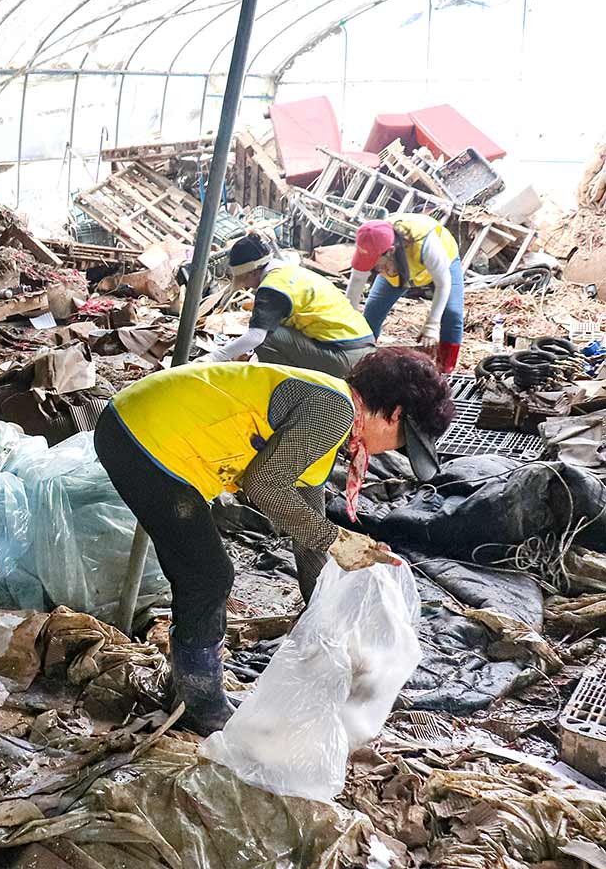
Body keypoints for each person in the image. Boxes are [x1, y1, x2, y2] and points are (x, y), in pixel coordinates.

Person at [94, 349, 454, 734]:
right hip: (143, 435)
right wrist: (335, 538)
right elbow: (264, 487)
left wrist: (328, 617)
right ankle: (198, 700)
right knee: (208, 577)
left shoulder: (331, 422)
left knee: (203, 573)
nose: (394, 450)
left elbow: (308, 534)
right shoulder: (332, 411)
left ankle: (192, 689)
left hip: (144, 430)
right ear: (395, 414)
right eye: (402, 442)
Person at [208, 234, 375, 377]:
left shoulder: (271, 288)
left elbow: (256, 337)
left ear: (253, 272)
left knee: (267, 338)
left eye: (244, 279)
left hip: (346, 358)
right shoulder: (291, 272)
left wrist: (214, 357)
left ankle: (285, 387)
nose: (246, 286)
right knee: (273, 328)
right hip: (365, 350)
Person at [345, 214, 464, 373]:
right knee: (372, 311)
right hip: (396, 272)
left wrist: (432, 325)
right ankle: (361, 363)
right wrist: (348, 324)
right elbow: (355, 286)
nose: (373, 269)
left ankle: (445, 369)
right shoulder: (368, 247)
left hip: (442, 265)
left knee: (452, 313)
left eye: (376, 264)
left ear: (390, 251)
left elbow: (443, 284)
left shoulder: (425, 243)